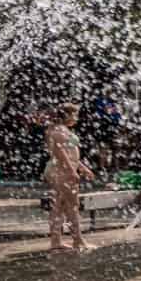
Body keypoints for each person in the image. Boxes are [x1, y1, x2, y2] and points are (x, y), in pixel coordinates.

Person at [42, 105, 94, 254]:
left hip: (63, 169)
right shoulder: (57, 130)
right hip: (61, 171)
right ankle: (78, 240)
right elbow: (60, 152)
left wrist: (82, 168)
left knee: (60, 206)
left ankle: (56, 241)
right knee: (71, 205)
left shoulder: (61, 129)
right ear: (67, 115)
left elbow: (71, 153)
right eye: (75, 115)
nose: (76, 118)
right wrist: (72, 171)